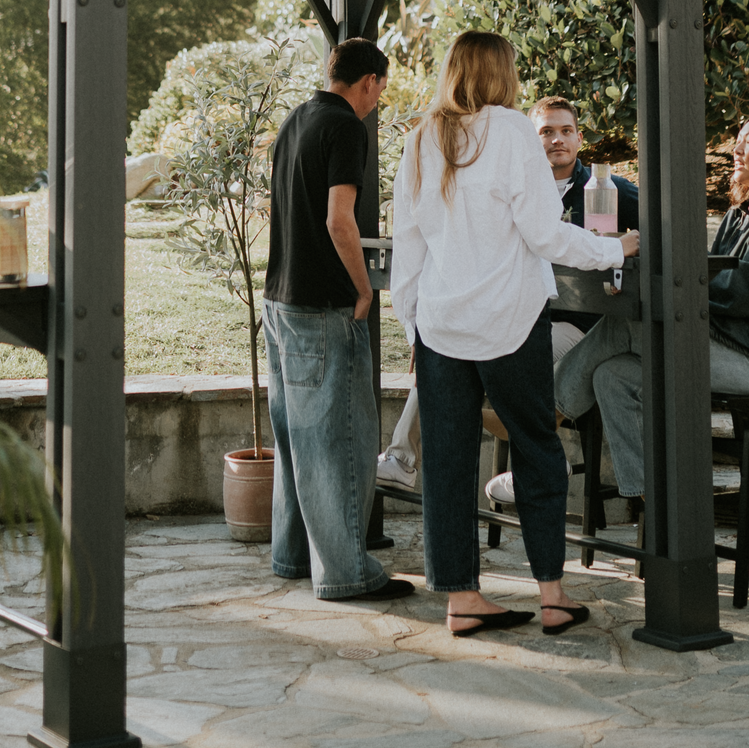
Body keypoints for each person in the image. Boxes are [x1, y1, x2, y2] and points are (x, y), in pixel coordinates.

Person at [391, 32, 639, 636]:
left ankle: (462, 600)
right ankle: (552, 595)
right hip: (511, 322)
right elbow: (545, 234)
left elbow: (408, 248)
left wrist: (414, 328)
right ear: (500, 72)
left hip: (441, 327)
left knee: (446, 463)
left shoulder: (421, 139)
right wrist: (615, 249)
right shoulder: (508, 130)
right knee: (537, 449)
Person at [553, 109, 749, 510]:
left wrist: (667, 291)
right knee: (611, 375)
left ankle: (546, 416)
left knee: (623, 327)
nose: (737, 150)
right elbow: (706, 276)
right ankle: (656, 505)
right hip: (734, 342)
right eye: (737, 142)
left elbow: (738, 294)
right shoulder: (742, 212)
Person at [378, 92, 637, 491]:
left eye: (566, 131)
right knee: (448, 340)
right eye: (546, 132)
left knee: (501, 345)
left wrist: (624, 264)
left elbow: (648, 236)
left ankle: (535, 463)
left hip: (573, 324)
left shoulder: (608, 189)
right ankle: (403, 457)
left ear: (579, 138)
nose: (557, 139)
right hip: (511, 308)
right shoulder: (507, 178)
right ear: (529, 138)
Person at [263, 36, 414, 603]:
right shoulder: (347, 127)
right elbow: (338, 220)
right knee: (338, 441)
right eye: (381, 89)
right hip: (323, 307)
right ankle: (347, 572)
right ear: (369, 81)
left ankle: (292, 555)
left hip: (278, 303)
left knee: (294, 439)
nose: (378, 101)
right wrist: (364, 288)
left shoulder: (295, 120)